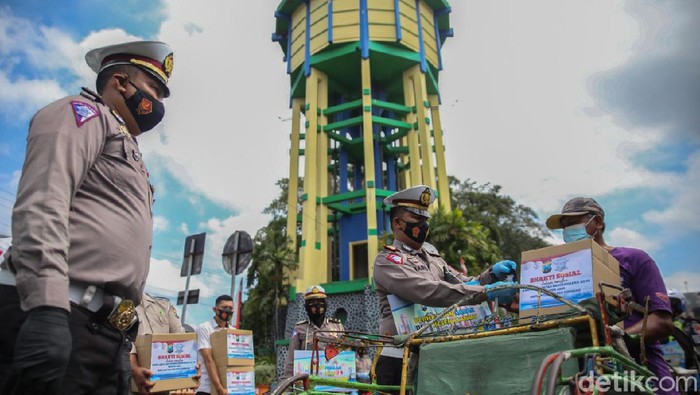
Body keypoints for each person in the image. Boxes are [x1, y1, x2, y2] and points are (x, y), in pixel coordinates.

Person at [0, 40, 174, 395]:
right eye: (153, 90)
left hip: (106, 335)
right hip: (59, 312)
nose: (157, 105)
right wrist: (46, 308)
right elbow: (45, 201)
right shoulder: (81, 114)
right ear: (121, 82)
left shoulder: (131, 152)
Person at [373, 185, 518, 388]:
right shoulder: (388, 261)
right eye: (417, 220)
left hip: (435, 353)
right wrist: (487, 293)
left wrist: (491, 276)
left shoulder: (433, 255)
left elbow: (461, 283)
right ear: (397, 222)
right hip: (400, 357)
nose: (424, 226)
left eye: (426, 220)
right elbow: (430, 291)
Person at [546, 197, 677, 394]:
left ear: (597, 222)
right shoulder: (560, 272)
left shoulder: (634, 259)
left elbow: (662, 321)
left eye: (573, 223)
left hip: (639, 370)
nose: (567, 231)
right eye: (564, 227)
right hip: (582, 374)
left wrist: (619, 338)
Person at [129, 293, 199, 395]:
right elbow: (122, 340)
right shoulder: (117, 303)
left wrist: (190, 369)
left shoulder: (163, 305)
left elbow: (181, 339)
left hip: (163, 387)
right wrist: (134, 369)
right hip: (130, 385)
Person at [283, 285, 345, 378]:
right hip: (308, 383)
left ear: (326, 304)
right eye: (312, 302)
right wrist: (287, 385)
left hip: (333, 381)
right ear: (306, 306)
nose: (316, 305)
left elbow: (345, 355)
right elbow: (291, 359)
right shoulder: (299, 328)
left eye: (320, 301)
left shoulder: (337, 327)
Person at [196, 295, 235, 395]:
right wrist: (219, 388)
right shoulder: (205, 328)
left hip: (228, 390)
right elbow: (208, 360)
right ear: (215, 309)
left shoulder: (233, 331)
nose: (228, 311)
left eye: (230, 308)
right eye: (225, 307)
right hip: (206, 389)